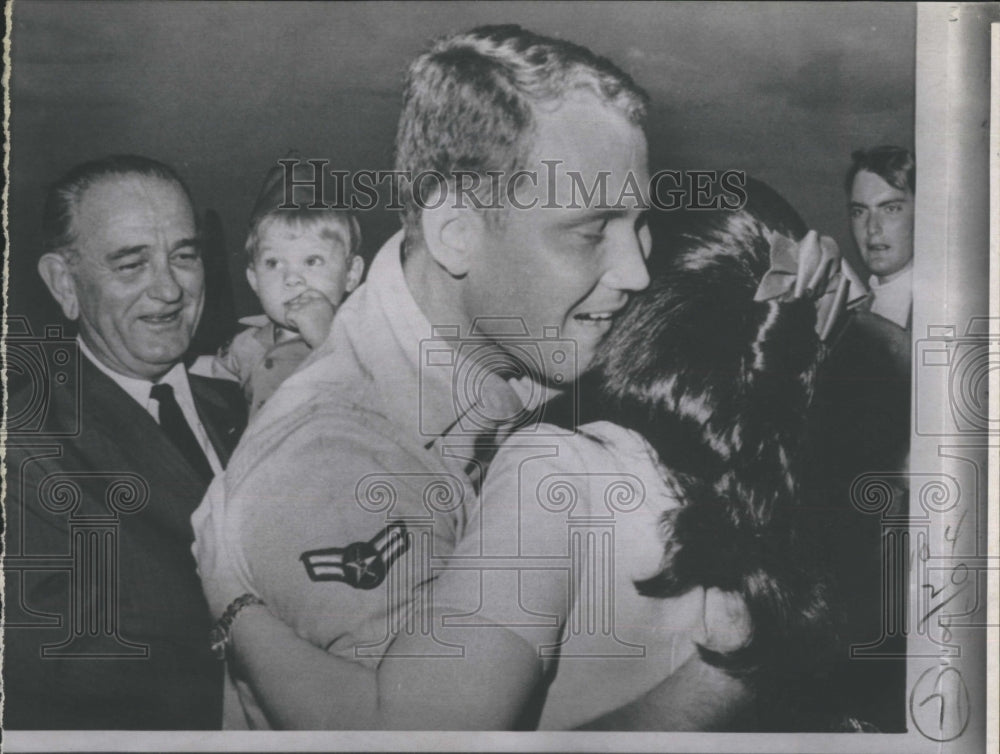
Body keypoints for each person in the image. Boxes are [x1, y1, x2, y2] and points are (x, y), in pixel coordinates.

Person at [193, 25, 762, 730]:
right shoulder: (330, 464)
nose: (637, 270)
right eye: (592, 231)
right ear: (456, 231)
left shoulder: (530, 349)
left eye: (639, 223)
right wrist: (736, 674)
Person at [198, 182, 846, 730]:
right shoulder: (775, 473)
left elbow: (413, 740)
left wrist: (234, 600)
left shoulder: (555, 472)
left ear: (641, 311)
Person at [3, 155, 247, 729]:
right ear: (65, 284)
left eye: (184, 256)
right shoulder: (27, 447)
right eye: (130, 264)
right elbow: (55, 667)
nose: (169, 289)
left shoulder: (248, 406)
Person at [208, 163, 364, 418]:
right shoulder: (244, 346)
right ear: (254, 280)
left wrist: (328, 341)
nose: (292, 278)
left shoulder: (363, 341)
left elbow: (384, 403)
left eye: (312, 261)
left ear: (351, 274)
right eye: (273, 263)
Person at [846, 145, 915, 330]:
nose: (872, 228)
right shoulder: (847, 316)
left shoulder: (943, 308)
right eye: (859, 212)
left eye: (890, 209)